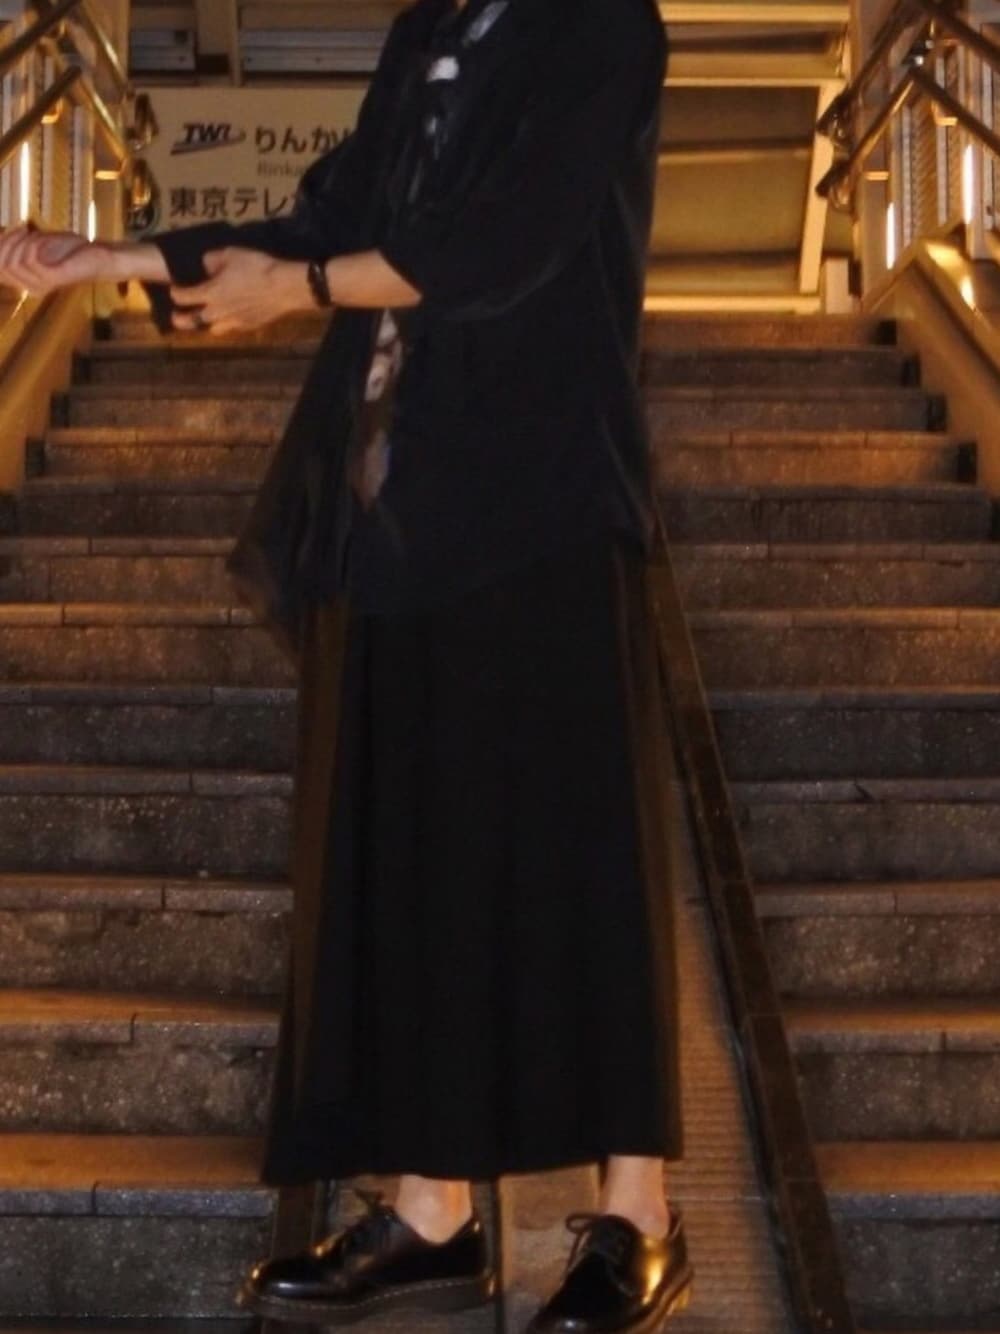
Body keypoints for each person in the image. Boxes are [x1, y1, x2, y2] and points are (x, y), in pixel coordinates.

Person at [0, 0, 694, 1329]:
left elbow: (504, 244)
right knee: (410, 847)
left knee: (575, 845)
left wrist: (300, 291)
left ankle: (639, 1212)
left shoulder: (601, 26)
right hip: (399, 500)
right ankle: (432, 1211)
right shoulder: (436, 25)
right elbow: (337, 212)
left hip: (547, 499)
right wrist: (113, 258)